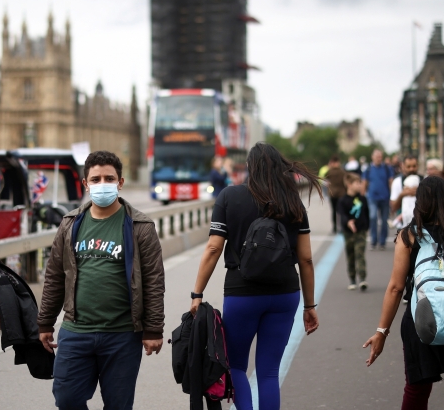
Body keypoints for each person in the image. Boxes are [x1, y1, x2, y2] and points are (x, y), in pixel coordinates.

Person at [190, 142, 321, 410]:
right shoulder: (293, 203)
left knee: (236, 366)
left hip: (242, 294)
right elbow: (306, 259)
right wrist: (309, 305)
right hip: (285, 294)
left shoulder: (229, 197)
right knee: (269, 372)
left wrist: (197, 293)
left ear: (250, 167)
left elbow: (214, 248)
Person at [37, 150, 165, 410]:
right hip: (76, 331)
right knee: (67, 399)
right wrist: (45, 322)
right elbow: (54, 276)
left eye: (109, 178)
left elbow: (153, 280)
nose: (102, 184)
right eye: (95, 180)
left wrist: (153, 329)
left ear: (120, 182)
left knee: (118, 405)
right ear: (85, 184)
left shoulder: (140, 225)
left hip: (122, 335)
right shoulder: (70, 224)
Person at [363, 176, 444, 410]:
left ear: (421, 203)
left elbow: (396, 287)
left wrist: (381, 332)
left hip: (420, 321)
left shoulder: (409, 236)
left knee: (417, 389)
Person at [339, 174, 369, 290]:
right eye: (357, 183)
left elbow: (366, 213)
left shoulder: (362, 199)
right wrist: (348, 222)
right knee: (350, 255)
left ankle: (362, 278)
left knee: (359, 253)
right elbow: (342, 215)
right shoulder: (342, 200)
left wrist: (367, 226)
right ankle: (352, 278)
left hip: (360, 231)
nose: (360, 185)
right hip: (348, 233)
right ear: (349, 185)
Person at [363, 149, 394, 250]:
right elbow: (364, 182)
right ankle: (373, 240)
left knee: (384, 220)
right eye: (376, 156)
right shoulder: (368, 169)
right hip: (372, 197)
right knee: (373, 217)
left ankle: (382, 241)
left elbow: (390, 182)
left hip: (385, 198)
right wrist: (362, 196)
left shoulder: (386, 168)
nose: (378, 158)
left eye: (380, 156)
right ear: (372, 157)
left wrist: (392, 197)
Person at [324, 155, 348, 234]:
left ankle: (334, 227)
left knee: (334, 211)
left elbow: (325, 179)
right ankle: (341, 227)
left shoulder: (329, 171)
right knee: (341, 211)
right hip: (341, 194)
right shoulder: (342, 171)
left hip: (332, 193)